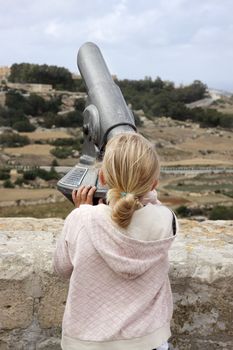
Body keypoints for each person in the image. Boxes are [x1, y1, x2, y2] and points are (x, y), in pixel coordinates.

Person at [54, 132, 178, 350]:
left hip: (89, 343)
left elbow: (62, 268)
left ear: (101, 177)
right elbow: (149, 208)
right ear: (153, 185)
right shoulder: (167, 220)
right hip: (149, 341)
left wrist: (84, 210)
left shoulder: (82, 219)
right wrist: (142, 192)